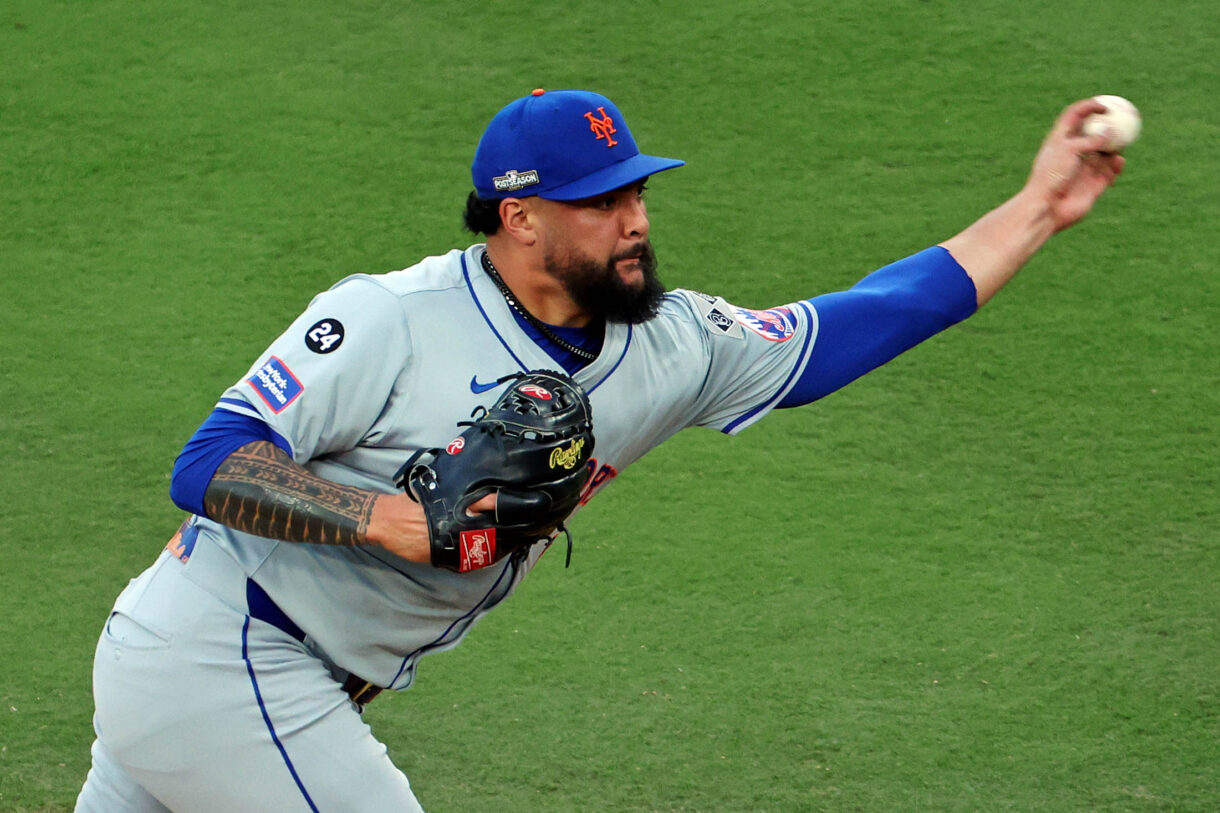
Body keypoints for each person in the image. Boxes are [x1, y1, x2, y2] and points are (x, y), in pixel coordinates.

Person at [74, 88, 1124, 812]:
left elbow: (854, 324)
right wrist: (394, 521)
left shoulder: (672, 343)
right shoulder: (389, 319)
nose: (632, 221)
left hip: (262, 684)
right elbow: (208, 463)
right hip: (225, 655)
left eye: (635, 192)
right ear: (520, 216)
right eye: (600, 202)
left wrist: (1038, 209)